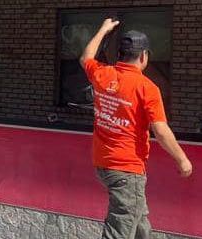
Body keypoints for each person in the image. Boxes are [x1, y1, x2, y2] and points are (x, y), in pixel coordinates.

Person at [79, 19, 192, 239]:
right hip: (127, 169)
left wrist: (102, 29)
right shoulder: (146, 88)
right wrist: (182, 159)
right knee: (120, 229)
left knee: (139, 222)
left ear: (120, 54)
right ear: (143, 56)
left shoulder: (104, 75)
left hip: (104, 165)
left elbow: (86, 58)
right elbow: (160, 131)